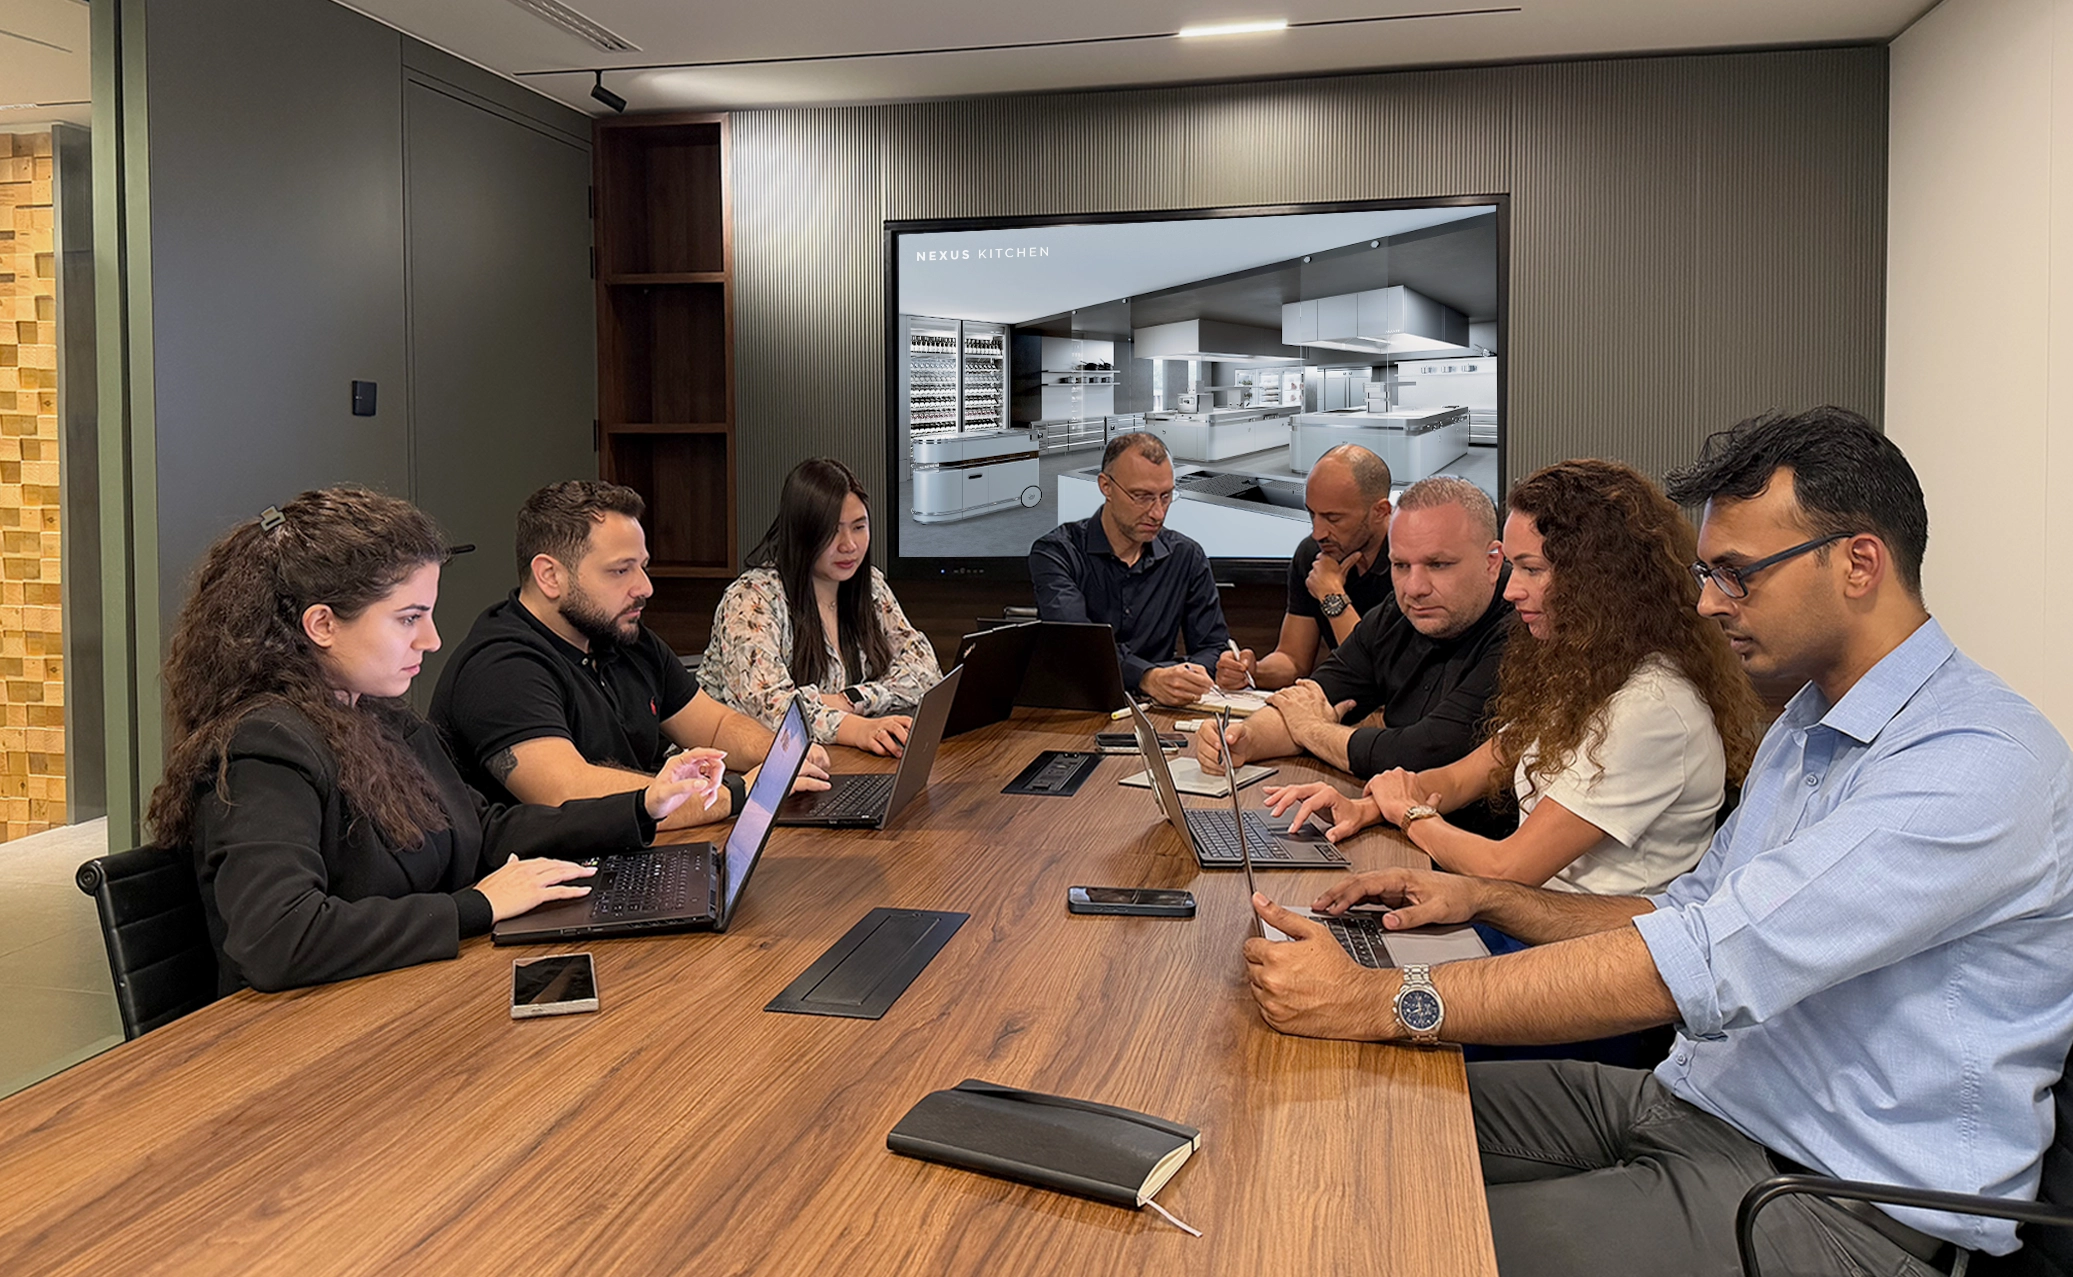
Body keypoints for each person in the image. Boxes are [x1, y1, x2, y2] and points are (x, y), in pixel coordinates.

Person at [1242, 408, 2073, 1274]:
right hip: (1694, 1103)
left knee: (1384, 1242)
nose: (1709, 600)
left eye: (1736, 574)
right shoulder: (1806, 723)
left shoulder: (1976, 760)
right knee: (1352, 1120)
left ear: (1857, 563)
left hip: (1831, 1200)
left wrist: (1383, 998)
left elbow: (1708, 959)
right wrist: (1487, 897)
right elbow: (1682, 909)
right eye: (1706, 573)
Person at [148, 487, 725, 994]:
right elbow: (280, 937)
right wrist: (478, 906)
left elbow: (482, 831)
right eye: (408, 618)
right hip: (305, 1041)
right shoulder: (265, 746)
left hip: (399, 993)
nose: (431, 639)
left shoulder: (381, 718)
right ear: (322, 625)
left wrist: (643, 805)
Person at [1263, 460, 1761, 898]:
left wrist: (1409, 814)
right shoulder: (1584, 672)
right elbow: (1460, 777)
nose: (1511, 590)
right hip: (1525, 917)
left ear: (1600, 579)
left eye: (1531, 569)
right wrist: (1366, 806)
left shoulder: (1649, 703)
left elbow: (1508, 869)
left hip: (1573, 947)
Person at [430, 480, 828, 829]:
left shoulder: (622, 638)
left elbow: (715, 726)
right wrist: (738, 794)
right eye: (621, 571)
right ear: (550, 576)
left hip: (624, 856)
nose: (645, 587)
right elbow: (568, 794)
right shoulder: (500, 667)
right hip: (535, 881)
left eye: (643, 566)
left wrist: (783, 759)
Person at [1194, 477, 1513, 808]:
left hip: (1471, 833)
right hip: (1393, 816)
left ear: (1492, 561)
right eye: (1401, 565)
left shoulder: (1522, 629)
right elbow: (1312, 697)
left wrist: (1312, 730)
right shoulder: (1399, 613)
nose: (1414, 588)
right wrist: (1244, 739)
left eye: (1438, 565)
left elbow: (1423, 753)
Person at [699, 458, 941, 752]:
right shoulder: (751, 599)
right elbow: (770, 710)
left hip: (829, 757)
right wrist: (857, 728)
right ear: (802, 533)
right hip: (727, 769)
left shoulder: (870, 585)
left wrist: (851, 700)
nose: (849, 545)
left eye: (859, 527)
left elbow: (925, 672)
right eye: (832, 531)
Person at [1029, 432, 1230, 706]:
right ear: (1106, 486)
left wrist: (1201, 673)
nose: (1158, 513)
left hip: (1161, 711)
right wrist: (1147, 677)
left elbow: (1212, 647)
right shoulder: (1058, 552)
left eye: (1166, 496)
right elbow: (1077, 644)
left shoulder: (1186, 556)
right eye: (1142, 497)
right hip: (1079, 709)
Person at [1216, 444, 1394, 691]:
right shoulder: (1313, 554)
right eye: (1312, 515)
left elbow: (1379, 674)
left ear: (1380, 511)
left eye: (1333, 518)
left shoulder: (1413, 562)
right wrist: (1253, 671)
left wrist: (1332, 596)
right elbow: (1293, 660)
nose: (1318, 533)